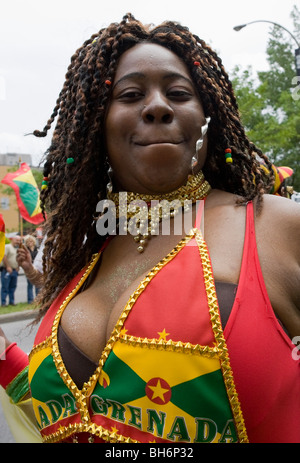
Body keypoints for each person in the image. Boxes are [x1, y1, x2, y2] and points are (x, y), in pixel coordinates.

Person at [0, 14, 299, 444]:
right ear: (98, 125)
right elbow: (70, 416)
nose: (157, 106)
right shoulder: (86, 256)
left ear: (207, 118)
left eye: (178, 93)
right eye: (131, 94)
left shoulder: (275, 226)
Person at [0, 235, 21, 306]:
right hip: (6, 270)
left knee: (13, 287)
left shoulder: (17, 249)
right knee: (5, 287)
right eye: (16, 240)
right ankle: (3, 302)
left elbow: (18, 258)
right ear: (12, 240)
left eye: (19, 240)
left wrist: (18, 266)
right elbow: (4, 256)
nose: (17, 242)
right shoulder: (7, 247)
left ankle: (12, 301)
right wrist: (8, 266)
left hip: (14, 270)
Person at [23, 235, 41, 303]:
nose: (29, 242)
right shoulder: (26, 251)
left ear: (33, 241)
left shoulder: (38, 249)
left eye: (30, 241)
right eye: (27, 241)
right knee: (29, 285)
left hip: (37, 268)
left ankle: (38, 298)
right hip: (29, 269)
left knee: (38, 284)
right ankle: (30, 300)